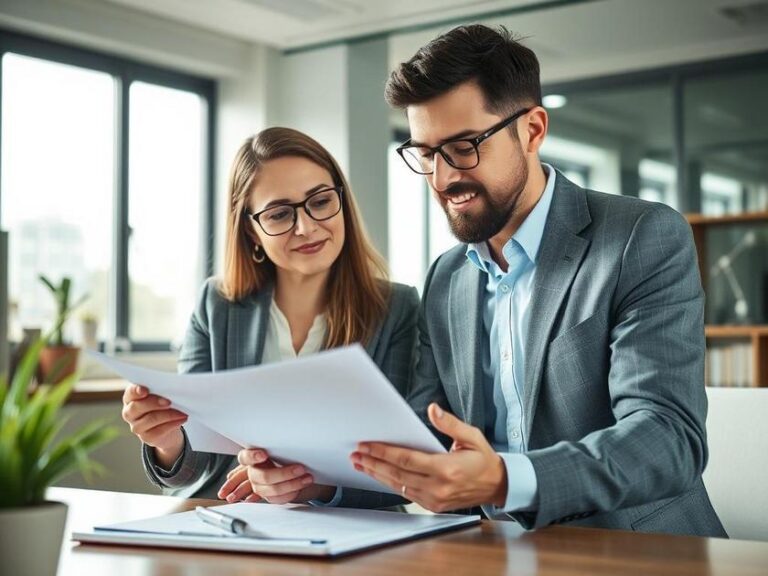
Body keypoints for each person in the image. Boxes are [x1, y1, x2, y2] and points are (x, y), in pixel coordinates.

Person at [350, 24, 727, 537]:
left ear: (532, 130)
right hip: (492, 553)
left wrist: (505, 480)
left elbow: (667, 438)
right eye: (425, 153)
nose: (442, 178)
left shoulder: (641, 238)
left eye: (463, 146)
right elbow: (421, 441)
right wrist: (316, 481)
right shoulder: (446, 278)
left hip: (639, 551)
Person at [122, 127, 419, 507]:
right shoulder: (217, 305)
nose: (307, 226)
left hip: (354, 538)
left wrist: (315, 486)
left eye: (321, 201)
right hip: (235, 528)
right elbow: (196, 467)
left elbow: (407, 468)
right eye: (279, 213)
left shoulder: (398, 307)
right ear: (251, 230)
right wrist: (166, 439)